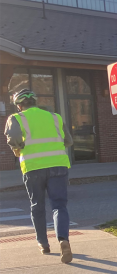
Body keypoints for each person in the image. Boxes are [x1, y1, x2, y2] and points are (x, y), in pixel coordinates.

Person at [4, 88, 73, 263]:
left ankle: (43, 243)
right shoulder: (55, 117)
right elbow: (69, 141)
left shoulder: (16, 118)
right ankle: (63, 240)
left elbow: (12, 139)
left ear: (19, 105)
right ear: (35, 102)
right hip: (58, 166)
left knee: (37, 206)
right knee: (59, 206)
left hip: (33, 167)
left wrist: (18, 147)